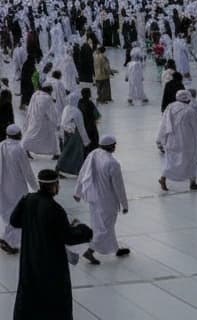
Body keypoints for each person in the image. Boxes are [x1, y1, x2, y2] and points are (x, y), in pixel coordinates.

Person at [9, 169, 93, 320]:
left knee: (29, 298)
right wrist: (83, 230)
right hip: (50, 264)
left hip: (30, 261)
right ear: (54, 185)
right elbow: (68, 237)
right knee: (54, 301)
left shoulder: (27, 199)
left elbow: (14, 221)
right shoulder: (54, 209)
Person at [73, 136, 131, 264]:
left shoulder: (94, 154)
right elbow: (119, 187)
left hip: (93, 197)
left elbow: (83, 172)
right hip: (107, 201)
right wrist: (124, 204)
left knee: (101, 225)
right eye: (114, 145)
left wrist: (78, 192)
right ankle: (90, 251)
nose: (115, 147)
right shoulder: (113, 163)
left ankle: (115, 249)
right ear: (111, 146)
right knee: (106, 227)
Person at [0, 124, 36, 255]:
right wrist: (36, 187)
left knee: (10, 214)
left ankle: (6, 239)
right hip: (16, 188)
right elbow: (27, 171)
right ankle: (8, 241)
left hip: (2, 186)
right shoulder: (19, 149)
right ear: (18, 135)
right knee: (18, 215)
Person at [157, 90, 197, 192]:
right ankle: (192, 183)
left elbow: (163, 123)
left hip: (172, 139)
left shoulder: (170, 107)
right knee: (191, 160)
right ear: (188, 99)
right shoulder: (190, 111)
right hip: (187, 141)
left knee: (171, 161)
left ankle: (163, 178)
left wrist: (160, 138)